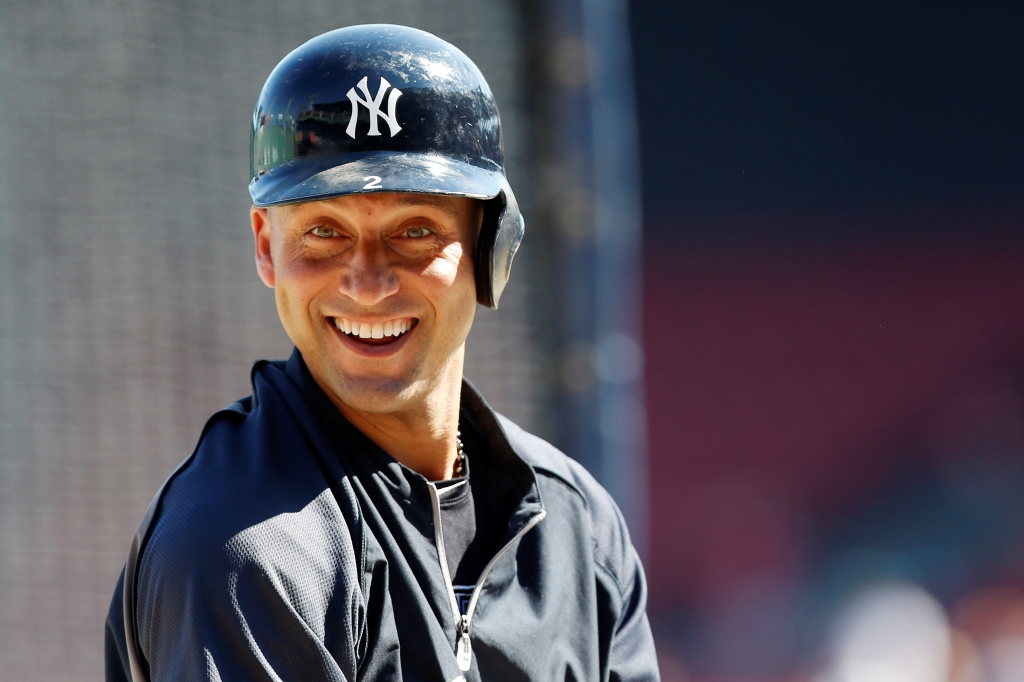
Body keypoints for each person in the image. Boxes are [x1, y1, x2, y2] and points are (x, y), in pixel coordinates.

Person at [104, 24, 659, 682]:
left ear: (491, 244)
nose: (367, 283)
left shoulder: (578, 528)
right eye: (323, 232)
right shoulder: (239, 548)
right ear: (265, 246)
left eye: (414, 230)